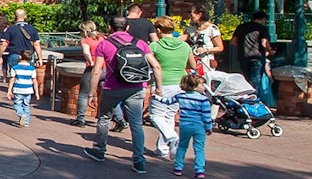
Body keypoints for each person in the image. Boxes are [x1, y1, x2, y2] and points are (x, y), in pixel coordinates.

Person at [84, 16, 163, 174]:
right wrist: (158, 87)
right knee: (136, 124)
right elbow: (156, 66)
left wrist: (91, 93)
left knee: (104, 119)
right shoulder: (140, 43)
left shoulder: (104, 44)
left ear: (110, 27)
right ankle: (139, 161)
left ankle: (99, 150)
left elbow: (97, 70)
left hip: (112, 88)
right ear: (127, 28)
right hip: (136, 88)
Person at [149, 16, 195, 161]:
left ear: (158, 30)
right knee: (169, 115)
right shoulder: (185, 46)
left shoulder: (155, 46)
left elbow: (149, 63)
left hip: (162, 83)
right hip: (181, 83)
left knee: (156, 115)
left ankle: (172, 137)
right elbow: (192, 65)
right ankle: (163, 149)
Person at [156, 73, 214, 179]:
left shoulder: (181, 96)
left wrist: (157, 97)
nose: (204, 87)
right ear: (195, 87)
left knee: (182, 146)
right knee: (199, 149)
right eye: (202, 85)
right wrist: (209, 127)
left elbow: (167, 101)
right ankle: (199, 171)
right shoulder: (203, 99)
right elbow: (206, 116)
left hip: (185, 125)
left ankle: (178, 168)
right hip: (199, 126)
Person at [72, 20, 123, 128]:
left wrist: (90, 61)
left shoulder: (86, 40)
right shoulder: (104, 38)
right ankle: (120, 119)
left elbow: (86, 51)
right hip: (106, 69)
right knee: (109, 96)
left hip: (93, 69)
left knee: (84, 94)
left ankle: (80, 119)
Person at [0, 8, 43, 97]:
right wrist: (40, 58)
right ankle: (27, 95)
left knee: (15, 76)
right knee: (28, 76)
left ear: (14, 17)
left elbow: (3, 44)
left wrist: (0, 56)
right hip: (28, 55)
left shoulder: (11, 29)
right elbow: (36, 44)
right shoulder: (32, 29)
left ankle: (17, 95)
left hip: (14, 54)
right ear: (25, 16)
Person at [232, 11, 272, 94]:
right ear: (264, 19)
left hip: (243, 56)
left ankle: (245, 98)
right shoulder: (262, 28)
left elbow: (233, 42)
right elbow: (264, 43)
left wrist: (241, 46)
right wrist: (270, 51)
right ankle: (252, 99)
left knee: (246, 78)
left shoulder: (241, 27)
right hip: (257, 57)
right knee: (255, 80)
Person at [181, 4, 224, 74]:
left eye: (192, 15)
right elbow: (183, 38)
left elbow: (220, 47)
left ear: (199, 14)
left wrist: (206, 50)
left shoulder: (212, 29)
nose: (190, 17)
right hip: (193, 61)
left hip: (206, 62)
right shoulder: (191, 28)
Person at [10, 50, 36, 127]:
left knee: (17, 104)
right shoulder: (32, 69)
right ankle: (26, 122)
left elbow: (12, 79)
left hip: (18, 89)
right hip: (28, 90)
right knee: (26, 105)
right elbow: (34, 80)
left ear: (20, 57)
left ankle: (21, 114)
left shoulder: (15, 68)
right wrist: (37, 92)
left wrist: (9, 90)